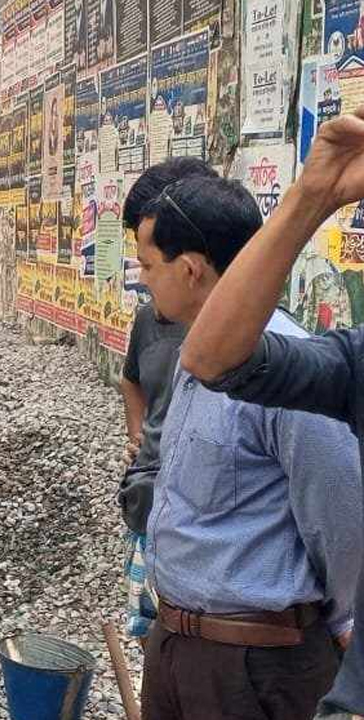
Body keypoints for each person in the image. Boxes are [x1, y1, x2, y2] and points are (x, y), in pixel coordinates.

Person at [135, 175, 361, 720]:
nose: (143, 283)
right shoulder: (198, 355)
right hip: (177, 647)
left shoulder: (290, 369)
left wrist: (344, 629)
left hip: (254, 666)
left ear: (190, 269)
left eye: (147, 267)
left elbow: (341, 518)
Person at [116, 158, 217, 642]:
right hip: (149, 505)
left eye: (151, 257)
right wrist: (140, 437)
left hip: (203, 535)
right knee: (157, 648)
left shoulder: (250, 338)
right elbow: (131, 380)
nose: (143, 271)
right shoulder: (150, 319)